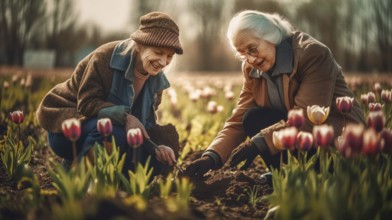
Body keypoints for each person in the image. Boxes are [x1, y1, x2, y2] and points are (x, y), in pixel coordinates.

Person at [184, 10, 365, 181]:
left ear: (271, 36)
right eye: (243, 54)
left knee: (264, 133)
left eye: (252, 49)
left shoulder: (312, 54)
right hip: (298, 134)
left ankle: (324, 175)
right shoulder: (251, 69)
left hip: (336, 139)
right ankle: (287, 177)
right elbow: (238, 119)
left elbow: (308, 118)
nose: (251, 60)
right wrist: (211, 157)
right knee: (252, 118)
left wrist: (257, 144)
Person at [36, 12, 183, 175]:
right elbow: (86, 103)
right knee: (112, 131)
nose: (163, 62)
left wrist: (157, 147)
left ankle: (82, 167)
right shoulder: (105, 58)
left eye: (169, 56)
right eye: (158, 52)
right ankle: (80, 181)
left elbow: (144, 124)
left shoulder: (156, 81)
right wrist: (126, 117)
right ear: (139, 45)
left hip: (103, 133)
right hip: (66, 129)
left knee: (139, 156)